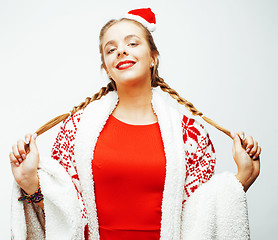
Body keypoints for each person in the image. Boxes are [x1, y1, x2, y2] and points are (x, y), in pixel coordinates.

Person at [10, 8, 261, 240]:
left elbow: (201, 218)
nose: (121, 51)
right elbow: (66, 214)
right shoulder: (75, 131)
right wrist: (30, 182)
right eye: (111, 49)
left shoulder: (189, 134)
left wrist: (242, 179)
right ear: (107, 68)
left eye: (132, 43)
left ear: (153, 58)